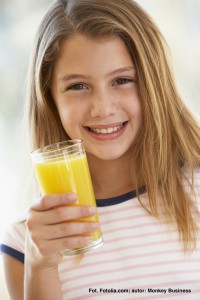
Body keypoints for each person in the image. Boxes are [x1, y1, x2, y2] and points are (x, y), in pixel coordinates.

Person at [1, 0, 200, 299]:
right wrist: (41, 268)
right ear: (49, 96)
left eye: (122, 80)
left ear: (154, 84)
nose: (103, 108)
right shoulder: (26, 244)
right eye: (78, 86)